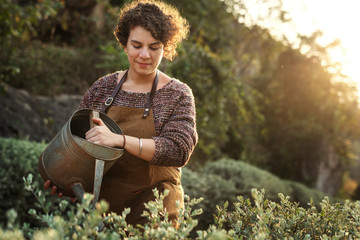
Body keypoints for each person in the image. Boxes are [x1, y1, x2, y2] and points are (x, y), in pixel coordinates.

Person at [41, 0, 197, 226]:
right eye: (136, 45)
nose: (145, 55)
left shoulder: (177, 94)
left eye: (154, 47)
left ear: (166, 48)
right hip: (104, 213)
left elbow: (178, 150)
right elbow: (78, 146)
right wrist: (67, 180)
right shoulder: (102, 88)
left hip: (156, 213)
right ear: (124, 44)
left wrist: (120, 140)